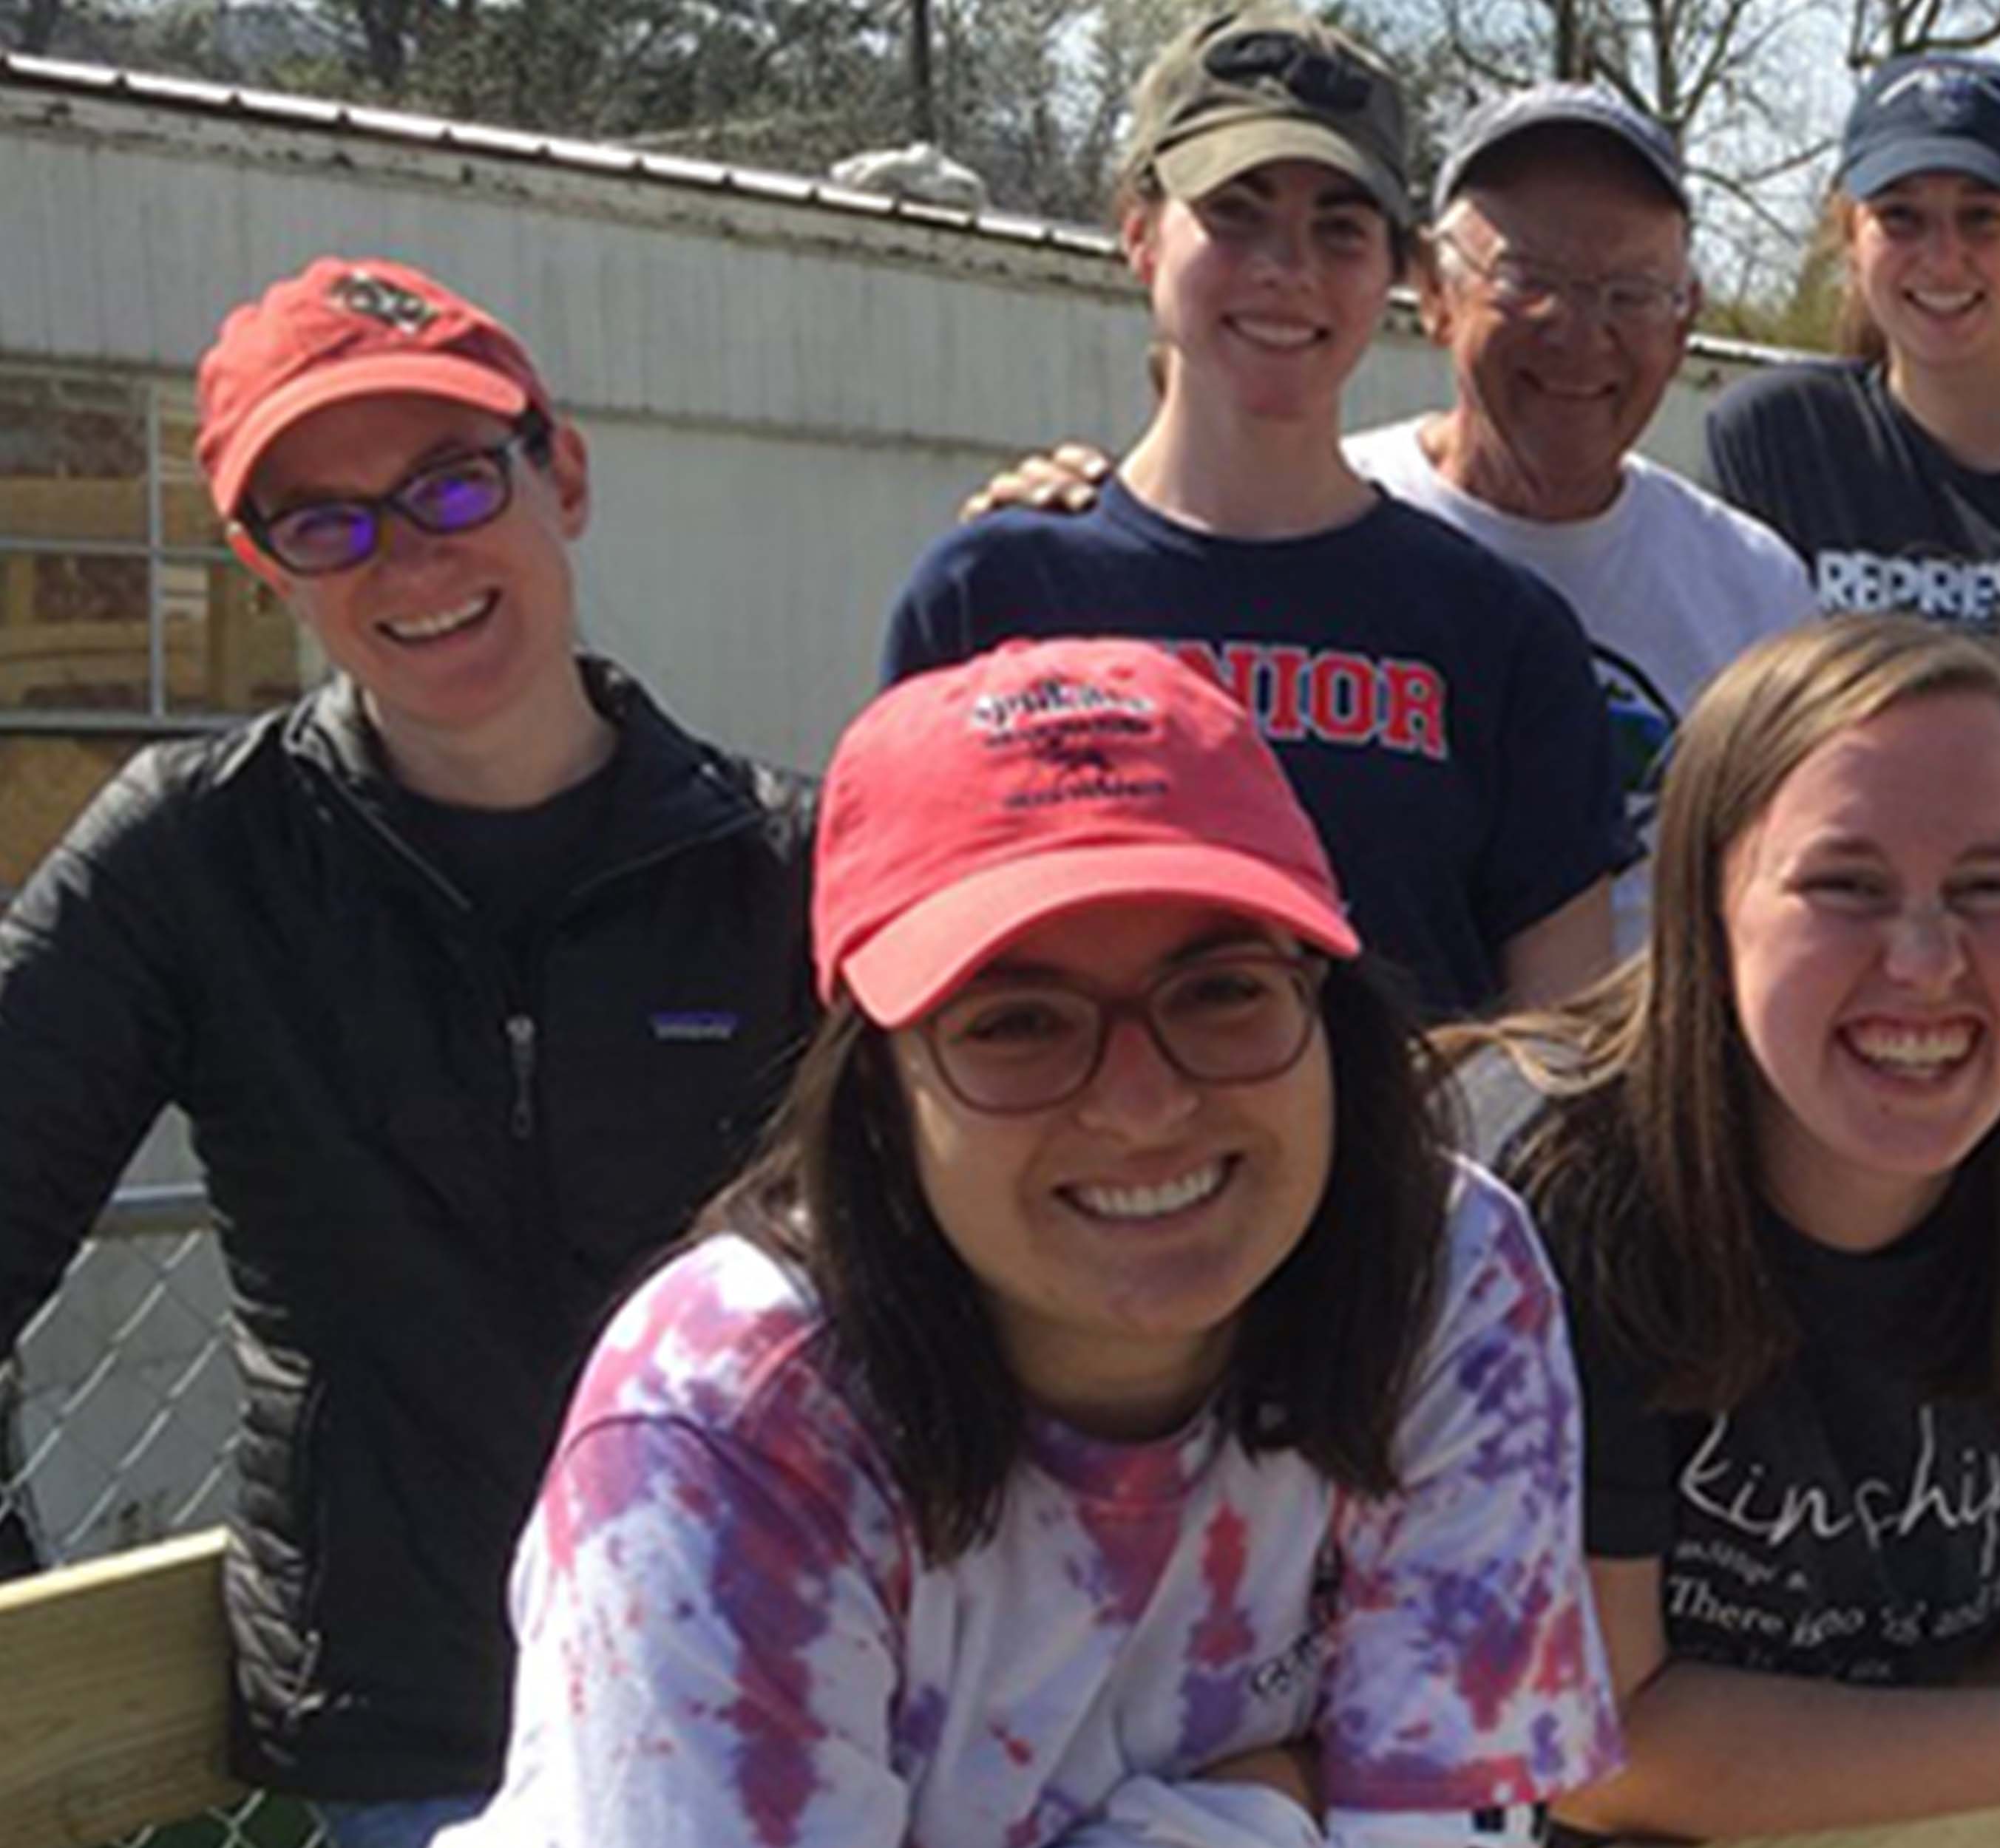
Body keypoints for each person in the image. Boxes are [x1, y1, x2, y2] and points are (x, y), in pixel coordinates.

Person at [438, 636, 1621, 1847]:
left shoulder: (1449, 1275)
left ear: (1326, 1004)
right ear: (881, 1091)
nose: (1141, 1105)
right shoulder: (728, 1412)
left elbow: (1446, 1832)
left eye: (1218, 991)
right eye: (1018, 1024)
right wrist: (1274, 1800)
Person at [0, 256, 815, 1848]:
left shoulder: (779, 863)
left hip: (758, 1667)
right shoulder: (197, 857)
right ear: (266, 566)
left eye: (450, 481)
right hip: (418, 1728)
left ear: (559, 471)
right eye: (329, 520)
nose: (411, 558)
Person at [1448, 616, 2000, 1838]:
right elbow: (1597, 1751)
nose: (1925, 962)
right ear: (1708, 904)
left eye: (1992, 891)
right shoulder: (1559, 1191)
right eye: (1845, 888)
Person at [887, 5, 1630, 1016]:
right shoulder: (994, 593)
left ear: (1397, 275)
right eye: (1236, 211)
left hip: (1413, 1176)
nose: (1288, 268)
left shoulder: (1500, 637)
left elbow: (1562, 1049)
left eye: (1341, 228)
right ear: (1141, 234)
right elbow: (910, 991)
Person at [969, 81, 1813, 956]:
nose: (1578, 330)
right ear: (1433, 293)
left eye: (1633, 292)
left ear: (1684, 325)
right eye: (1527, 278)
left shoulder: (1756, 591)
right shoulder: (1302, 529)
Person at [1702, 53, 2000, 642]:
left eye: (1982, 218)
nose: (1943, 258)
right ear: (1850, 237)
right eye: (1901, 217)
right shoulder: (1781, 438)